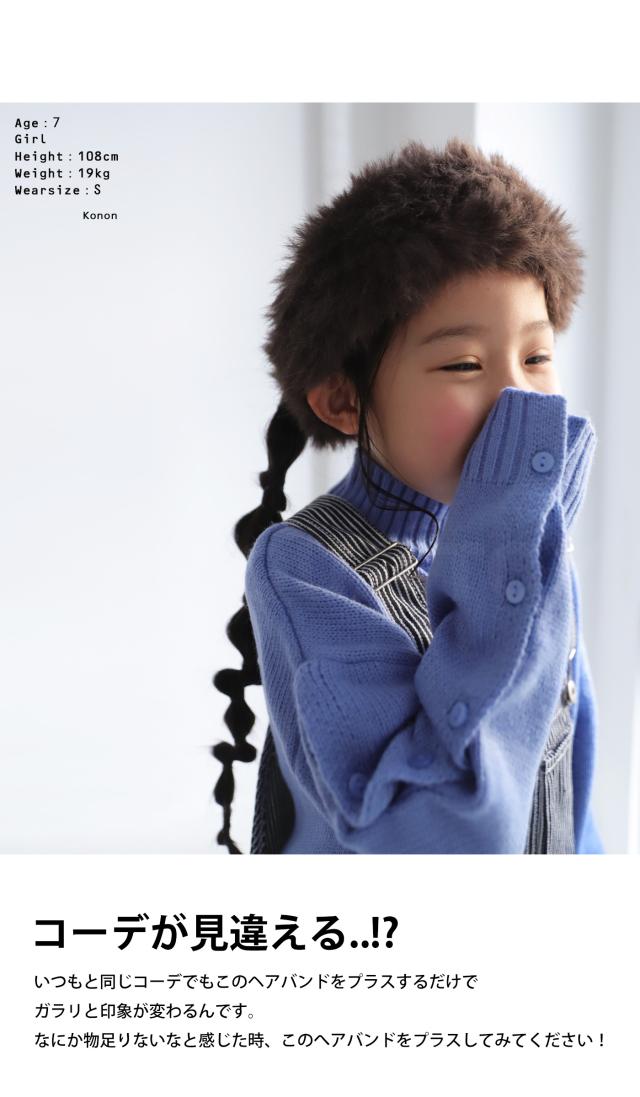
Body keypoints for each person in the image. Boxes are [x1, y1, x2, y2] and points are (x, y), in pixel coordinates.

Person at [212, 137, 604, 855]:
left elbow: (567, 799)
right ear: (343, 401)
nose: (517, 398)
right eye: (464, 363)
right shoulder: (306, 569)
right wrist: (507, 543)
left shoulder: (536, 545)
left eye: (537, 356)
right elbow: (440, 835)